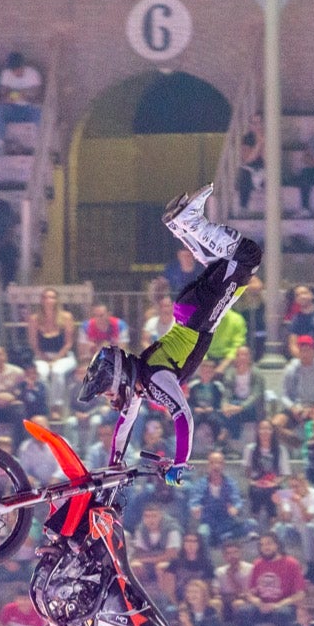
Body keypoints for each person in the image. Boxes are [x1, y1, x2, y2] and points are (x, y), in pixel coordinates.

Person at [78, 185, 263, 482]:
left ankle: (189, 222)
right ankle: (179, 224)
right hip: (190, 313)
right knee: (223, 262)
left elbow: (183, 416)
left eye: (108, 391)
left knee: (247, 258)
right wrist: (114, 463)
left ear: (120, 380)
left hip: (199, 317)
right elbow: (124, 425)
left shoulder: (152, 381)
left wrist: (180, 463)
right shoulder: (141, 381)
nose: (111, 400)